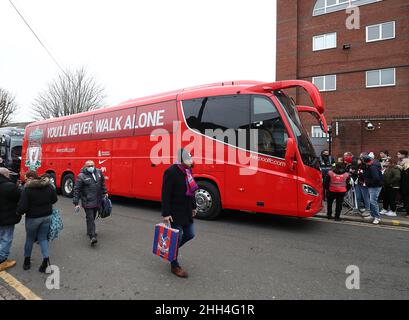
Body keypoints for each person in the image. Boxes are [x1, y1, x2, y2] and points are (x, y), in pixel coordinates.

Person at [161, 149, 198, 278]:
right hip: (175, 211)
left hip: (187, 210)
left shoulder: (188, 171)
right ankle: (174, 265)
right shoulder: (171, 172)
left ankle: (171, 251)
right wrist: (166, 213)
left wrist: (194, 207)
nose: (191, 162)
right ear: (181, 160)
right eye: (188, 159)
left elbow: (191, 190)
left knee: (190, 234)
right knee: (177, 236)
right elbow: (165, 194)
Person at [17, 171, 57, 272]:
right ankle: (46, 260)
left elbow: (22, 207)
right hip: (47, 216)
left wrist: (18, 212)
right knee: (43, 238)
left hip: (33, 218)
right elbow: (54, 199)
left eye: (26, 178)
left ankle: (27, 261)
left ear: (30, 178)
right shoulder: (48, 186)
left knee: (30, 239)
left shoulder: (28, 189)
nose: (26, 180)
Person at [73, 160, 108, 246]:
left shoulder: (99, 172)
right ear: (85, 167)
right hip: (87, 201)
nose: (91, 167)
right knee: (90, 218)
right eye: (89, 166)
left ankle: (89, 231)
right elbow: (76, 190)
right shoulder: (81, 176)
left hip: (97, 201)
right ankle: (92, 236)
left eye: (92, 165)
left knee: (93, 217)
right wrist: (76, 203)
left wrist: (105, 192)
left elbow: (102, 183)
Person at [0, 168, 22, 271]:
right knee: (6, 238)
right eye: (9, 174)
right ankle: (2, 261)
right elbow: (20, 197)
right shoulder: (10, 187)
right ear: (5, 175)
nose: (10, 175)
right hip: (6, 218)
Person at [362, 156, 384, 224]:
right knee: (372, 201)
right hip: (373, 186)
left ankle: (377, 217)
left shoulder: (372, 167)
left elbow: (376, 178)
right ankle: (373, 215)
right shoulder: (372, 165)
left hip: (375, 186)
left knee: (373, 201)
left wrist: (368, 183)